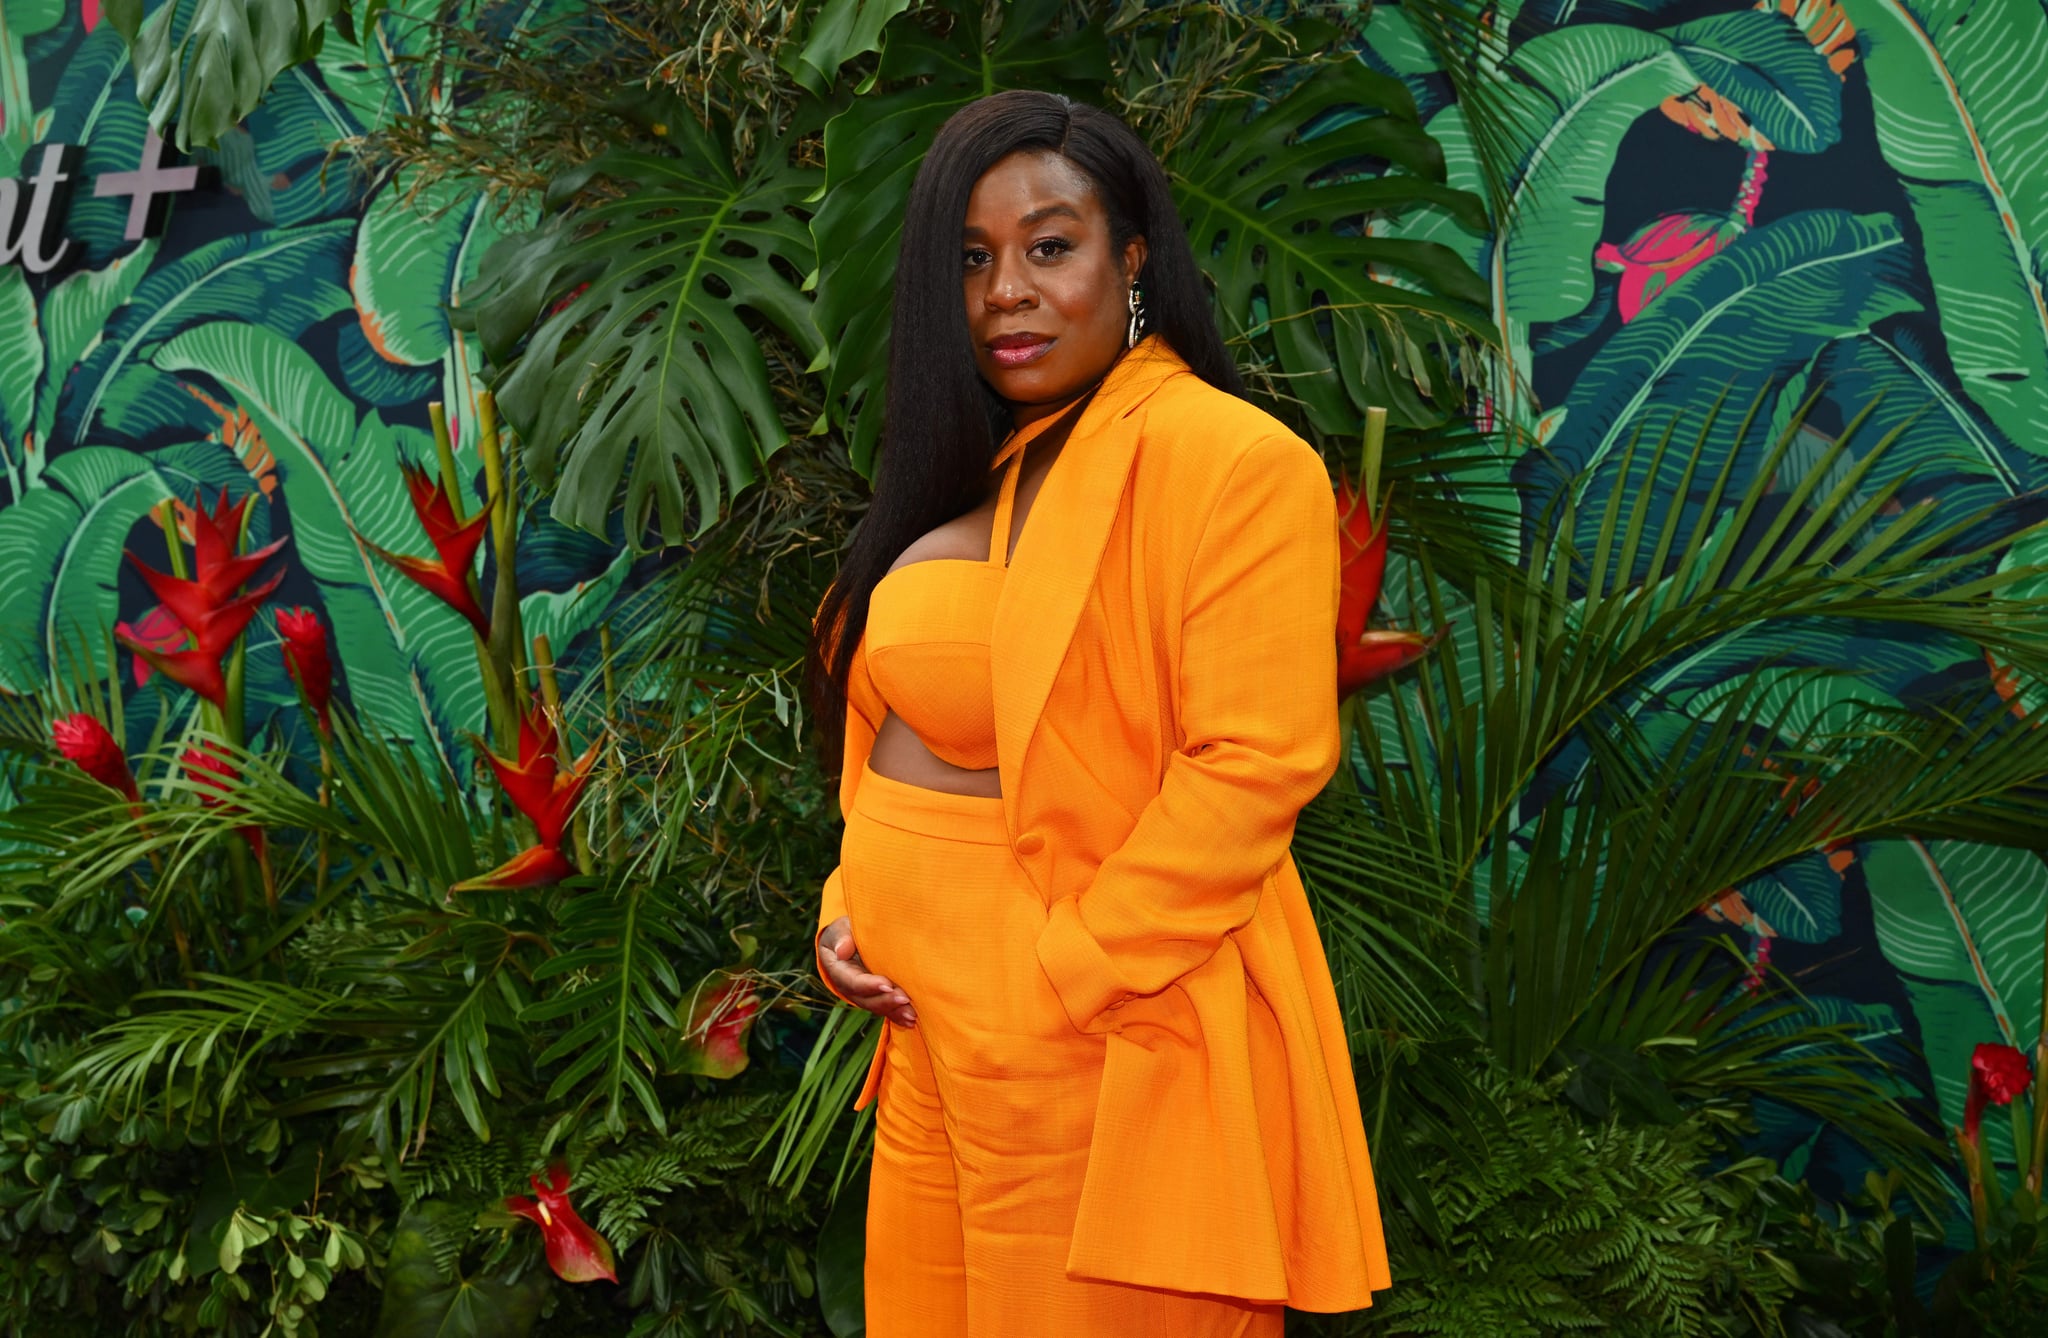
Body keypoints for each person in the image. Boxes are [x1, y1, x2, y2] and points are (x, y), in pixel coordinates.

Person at [803, 89, 1391, 1337]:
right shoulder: (1001, 464)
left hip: (1088, 1036)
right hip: (921, 1042)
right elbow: (897, 734)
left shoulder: (1229, 461)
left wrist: (1061, 974)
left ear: (1132, 260)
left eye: (1047, 246)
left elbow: (1250, 769)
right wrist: (846, 908)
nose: (1003, 290)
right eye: (970, 259)